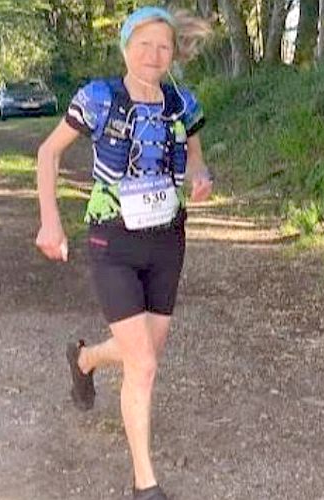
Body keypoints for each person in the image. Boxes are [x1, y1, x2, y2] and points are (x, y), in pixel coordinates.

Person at [36, 6, 213, 500]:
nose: (153, 55)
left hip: (168, 240)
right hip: (112, 241)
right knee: (144, 365)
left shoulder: (182, 103)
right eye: (143, 45)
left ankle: (86, 359)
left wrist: (200, 174)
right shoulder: (98, 98)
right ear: (125, 47)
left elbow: (195, 153)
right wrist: (50, 219)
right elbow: (48, 152)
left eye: (163, 46)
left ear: (173, 52)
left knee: (146, 353)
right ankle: (145, 483)